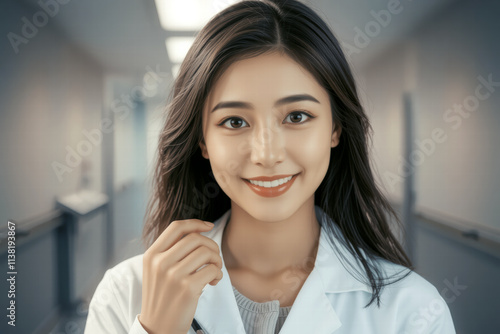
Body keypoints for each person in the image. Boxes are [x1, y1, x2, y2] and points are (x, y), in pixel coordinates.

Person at [84, 0, 456, 333]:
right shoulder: (126, 295)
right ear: (202, 141)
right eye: (234, 122)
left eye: (296, 115)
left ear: (335, 128)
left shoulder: (413, 311)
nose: (266, 154)